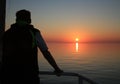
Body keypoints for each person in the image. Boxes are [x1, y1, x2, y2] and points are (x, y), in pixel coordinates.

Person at [1, 9, 63, 84]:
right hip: (30, 76)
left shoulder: (7, 33)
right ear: (29, 20)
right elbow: (46, 53)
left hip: (9, 76)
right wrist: (57, 68)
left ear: (16, 19)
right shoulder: (34, 33)